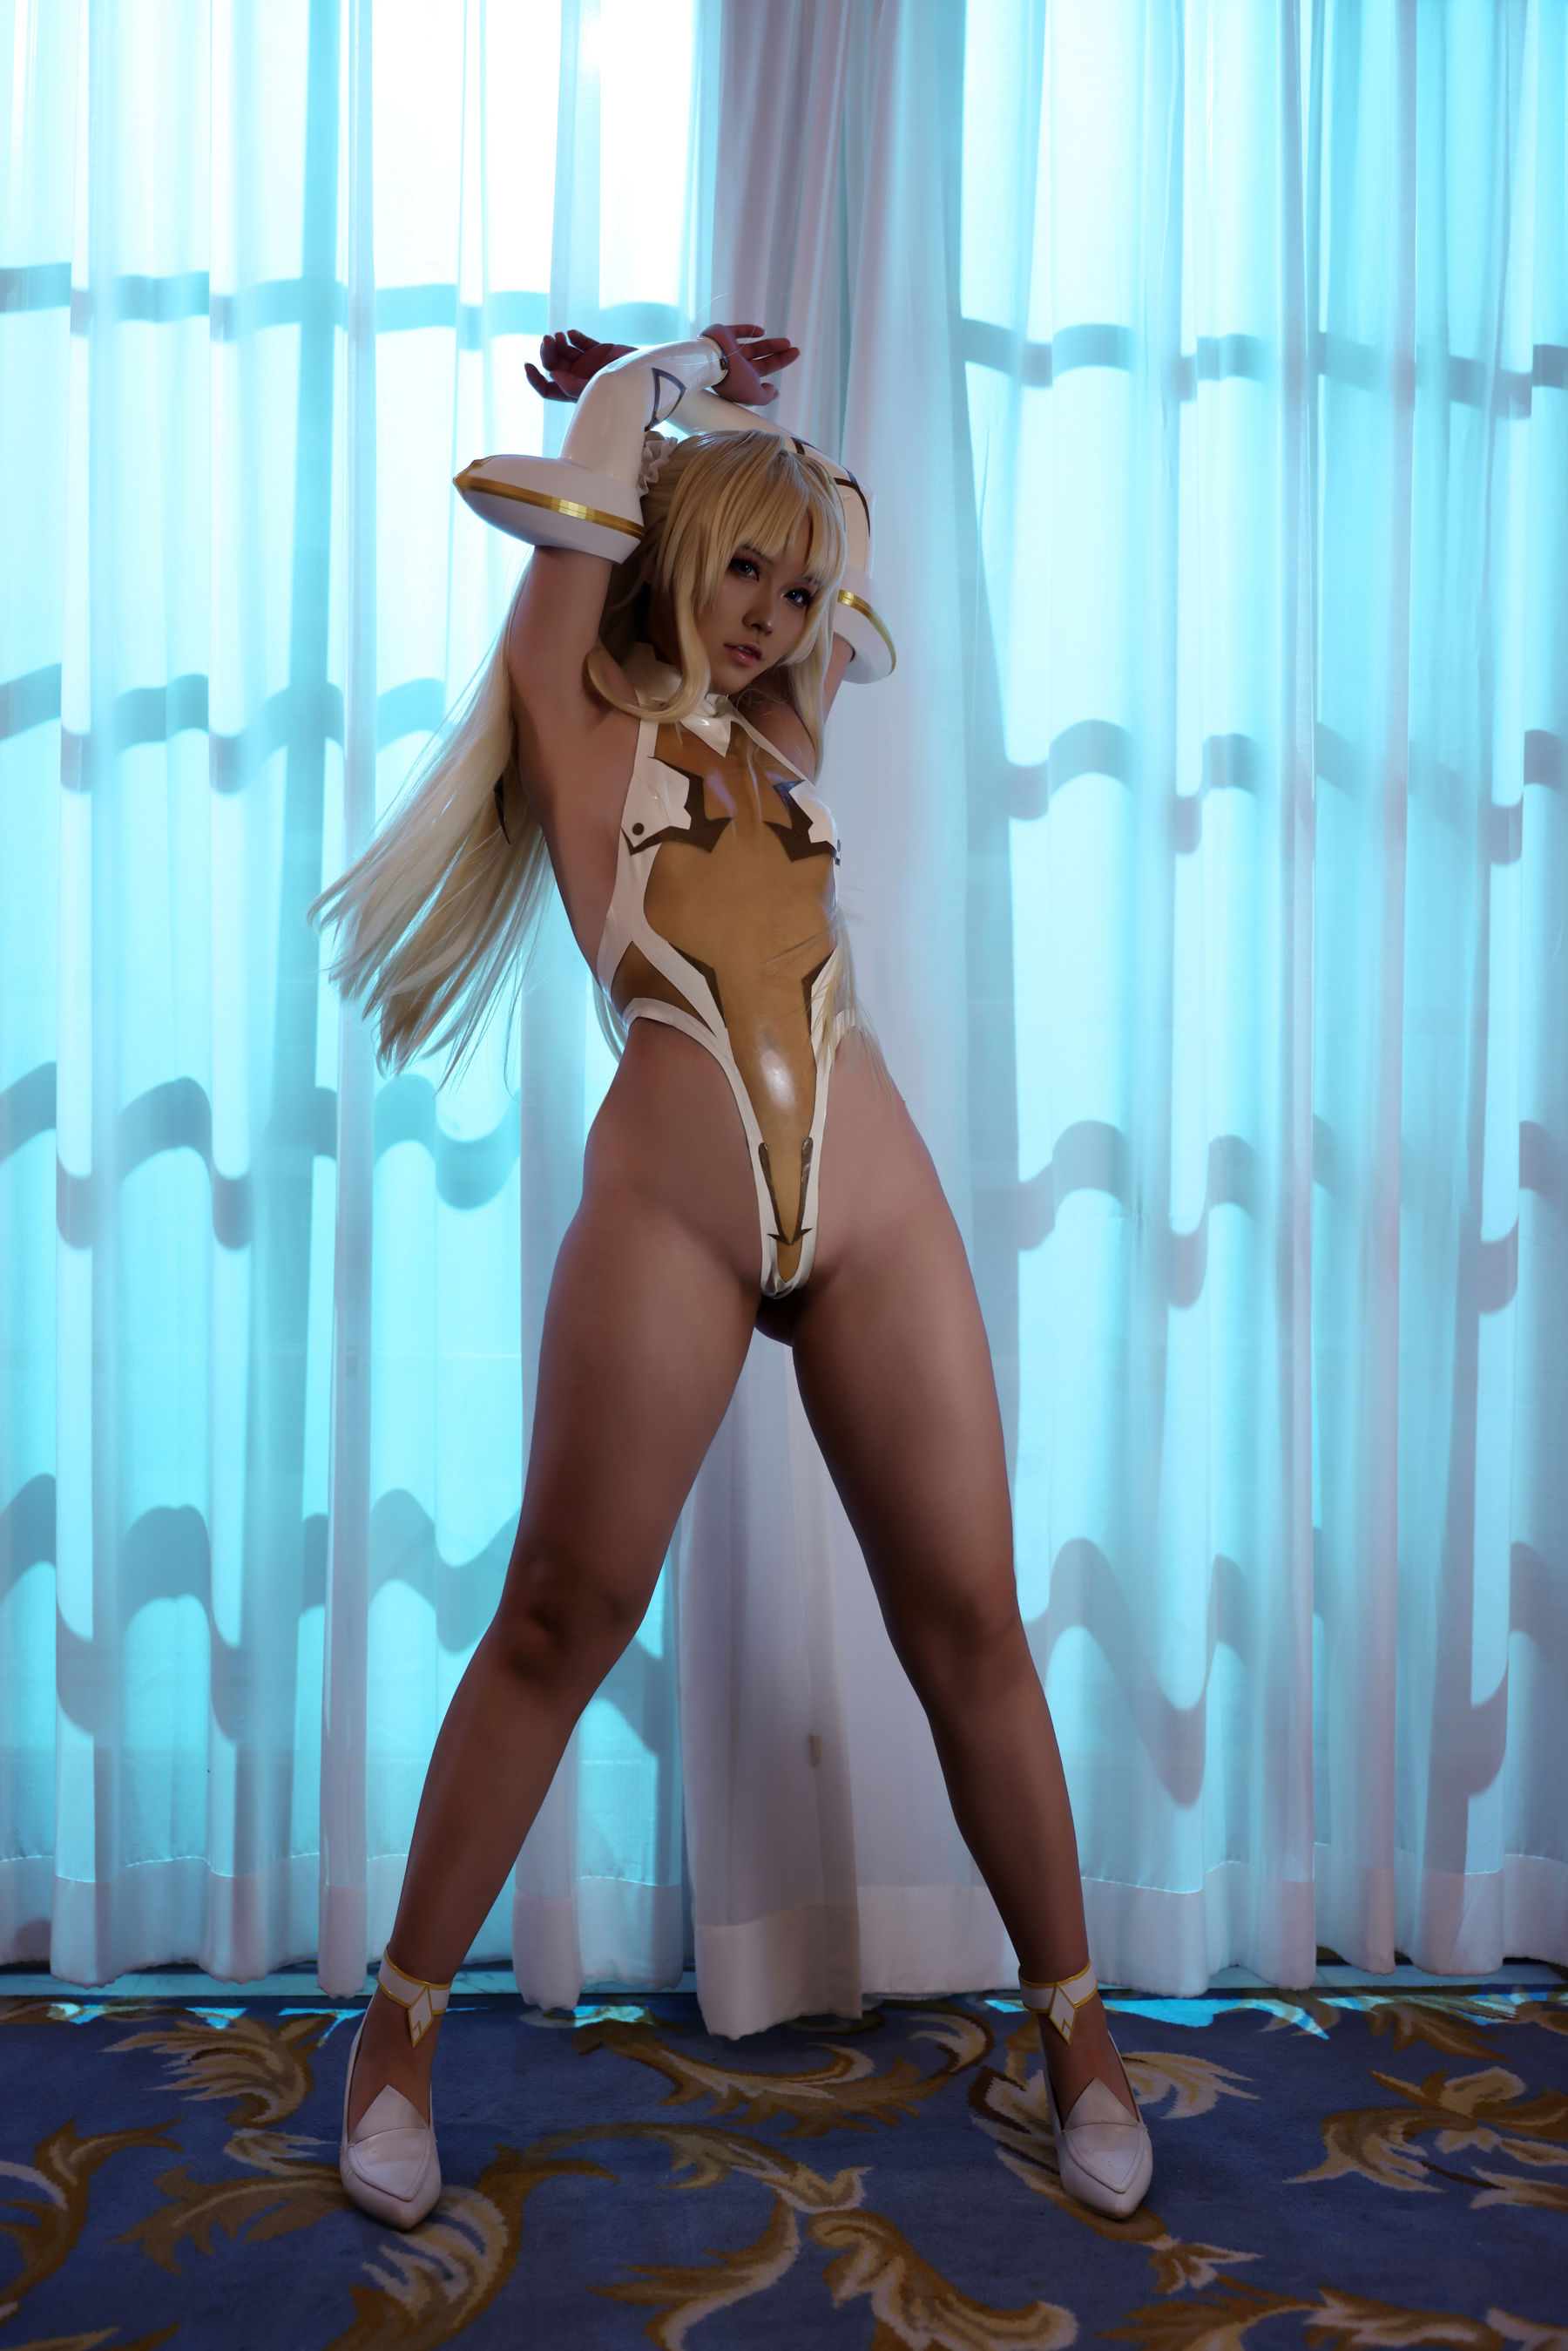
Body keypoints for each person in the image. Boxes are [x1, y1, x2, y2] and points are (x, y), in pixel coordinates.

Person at [312, 322, 1153, 2230]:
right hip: (676, 1209)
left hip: (872, 1201)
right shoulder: (572, 710)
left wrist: (755, 455)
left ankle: (1082, 2036)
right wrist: (663, 373)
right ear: (666, 547)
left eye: (795, 586)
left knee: (973, 1620)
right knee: (560, 1610)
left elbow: (839, 519)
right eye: (738, 569)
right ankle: (393, 2041)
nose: (774, 613)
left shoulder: (787, 735)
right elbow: (600, 490)